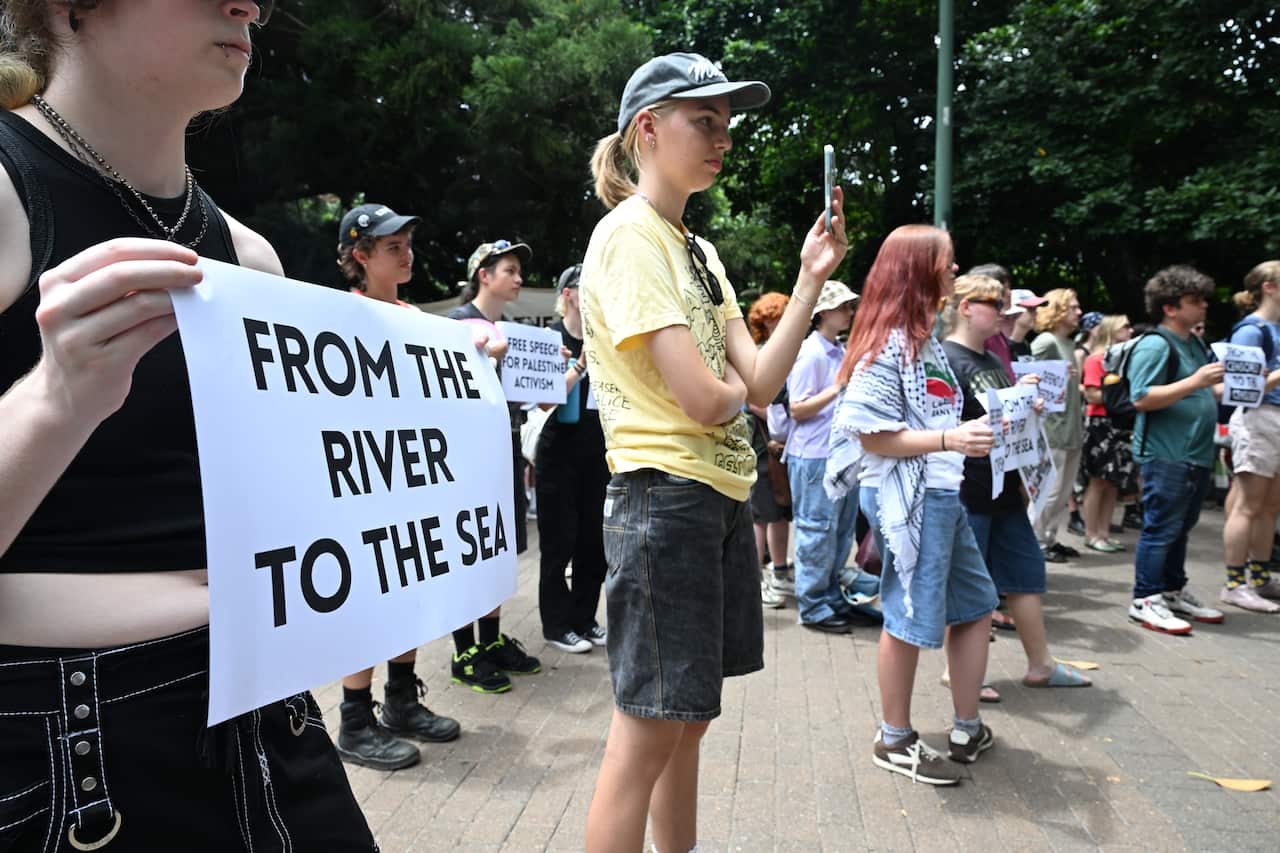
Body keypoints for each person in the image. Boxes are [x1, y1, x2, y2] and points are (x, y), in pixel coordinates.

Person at [0, 2, 379, 849]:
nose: (251, 4)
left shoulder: (249, 258)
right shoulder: (8, 190)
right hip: (67, 750)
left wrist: (433, 398)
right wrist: (54, 398)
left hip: (268, 718)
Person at [580, 52, 847, 852]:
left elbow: (758, 382)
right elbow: (710, 396)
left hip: (712, 497)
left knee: (684, 721)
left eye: (727, 124)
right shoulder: (628, 237)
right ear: (647, 129)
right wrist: (732, 391)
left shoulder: (696, 247)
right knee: (646, 734)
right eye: (705, 121)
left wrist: (808, 281)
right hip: (663, 498)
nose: (722, 139)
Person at [828, 225, 999, 786]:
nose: (954, 270)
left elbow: (933, 417)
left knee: (974, 607)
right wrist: (952, 441)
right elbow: (873, 436)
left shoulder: (920, 339)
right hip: (915, 499)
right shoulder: (889, 343)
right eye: (947, 262)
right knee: (907, 617)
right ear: (919, 270)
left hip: (939, 496)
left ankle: (965, 726)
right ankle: (894, 737)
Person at [331, 203, 462, 770]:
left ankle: (401, 701)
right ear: (360, 257)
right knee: (368, 601)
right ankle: (354, 720)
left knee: (407, 592)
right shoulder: (335, 315)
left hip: (410, 481)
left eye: (408, 243)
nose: (407, 254)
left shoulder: (417, 319)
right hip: (364, 481)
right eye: (392, 248)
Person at [939, 276, 1092, 691]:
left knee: (1025, 575)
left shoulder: (990, 359)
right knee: (972, 586)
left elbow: (1002, 419)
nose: (1006, 312)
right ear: (967, 306)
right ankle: (960, 674)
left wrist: (1026, 404)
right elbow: (942, 427)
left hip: (1004, 487)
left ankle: (1040, 664)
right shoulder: (948, 359)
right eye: (996, 303)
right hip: (969, 491)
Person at [445, 241, 543, 691]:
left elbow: (531, 397)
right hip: (465, 457)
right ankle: (465, 650)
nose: (518, 277)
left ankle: (490, 640)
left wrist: (549, 372)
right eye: (510, 269)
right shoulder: (454, 325)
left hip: (502, 449)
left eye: (520, 269)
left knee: (497, 548)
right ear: (483, 275)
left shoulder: (513, 332)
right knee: (468, 550)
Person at [1127, 266, 1226, 634]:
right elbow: (1142, 397)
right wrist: (1196, 380)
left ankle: (1171, 589)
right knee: (1162, 526)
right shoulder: (1156, 344)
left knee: (1181, 526)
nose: (1203, 307)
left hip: (1194, 453)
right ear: (1170, 307)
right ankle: (1146, 597)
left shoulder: (1194, 343)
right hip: (1166, 453)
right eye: (1194, 301)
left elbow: (1204, 391)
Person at [786, 280, 871, 632]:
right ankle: (814, 604)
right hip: (814, 454)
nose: (850, 312)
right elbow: (797, 408)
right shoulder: (813, 352)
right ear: (822, 312)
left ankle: (830, 597)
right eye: (843, 307)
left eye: (850, 306)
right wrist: (838, 389)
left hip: (837, 453)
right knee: (817, 530)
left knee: (837, 530)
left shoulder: (836, 350)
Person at [535, 263, 612, 650]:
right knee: (559, 541)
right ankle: (557, 625)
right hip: (558, 450)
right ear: (568, 295)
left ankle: (585, 618)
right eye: (588, 287)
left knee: (592, 543)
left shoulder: (603, 337)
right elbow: (547, 397)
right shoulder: (550, 340)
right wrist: (582, 363)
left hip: (596, 448)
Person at [1219, 260, 1280, 612]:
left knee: (1269, 506)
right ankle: (1234, 583)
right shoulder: (1251, 331)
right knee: (1248, 505)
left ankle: (1259, 576)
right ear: (1268, 287)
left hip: (1273, 420)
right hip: (1259, 420)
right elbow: (1239, 391)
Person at [1029, 289, 1084, 563]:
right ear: (1059, 310)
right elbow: (1026, 371)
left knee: (1062, 493)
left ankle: (1049, 538)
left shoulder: (1066, 343)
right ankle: (1036, 541)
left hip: (1071, 428)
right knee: (1049, 491)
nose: (1079, 312)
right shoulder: (1046, 341)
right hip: (1053, 429)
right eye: (1073, 307)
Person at [746, 291, 793, 608]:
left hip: (782, 441)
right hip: (764, 442)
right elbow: (753, 400)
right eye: (775, 317)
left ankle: (779, 570)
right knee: (761, 513)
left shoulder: (788, 352)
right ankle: (755, 578)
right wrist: (783, 421)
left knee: (780, 511)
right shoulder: (759, 353)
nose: (781, 321)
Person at [1078, 315, 1138, 553]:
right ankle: (1091, 533)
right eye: (1125, 326)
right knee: (1098, 479)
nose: (1130, 330)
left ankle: (1104, 532)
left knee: (1113, 481)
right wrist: (1123, 398)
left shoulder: (1123, 360)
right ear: (1112, 330)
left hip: (1119, 423)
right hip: (1100, 422)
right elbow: (1091, 394)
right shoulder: (1096, 359)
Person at [1007, 288, 1045, 362]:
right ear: (1014, 311)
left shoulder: (1025, 344)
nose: (1036, 313)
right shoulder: (1001, 345)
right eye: (1031, 309)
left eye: (1036, 309)